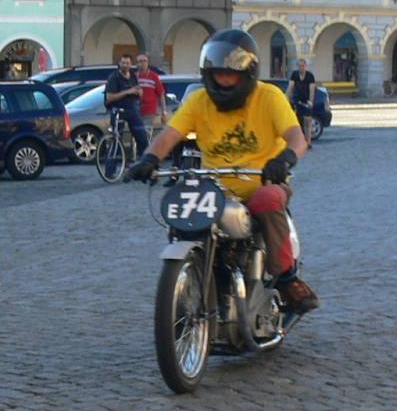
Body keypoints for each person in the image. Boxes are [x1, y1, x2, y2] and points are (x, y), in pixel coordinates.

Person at [126, 29, 319, 315]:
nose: (224, 80)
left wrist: (285, 159)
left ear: (248, 74)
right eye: (218, 74)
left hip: (262, 182)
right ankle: (193, 273)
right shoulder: (199, 101)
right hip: (213, 188)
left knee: (267, 200)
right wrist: (150, 158)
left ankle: (288, 278)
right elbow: (170, 134)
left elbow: (296, 137)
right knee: (181, 205)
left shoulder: (269, 97)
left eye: (231, 75)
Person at [105, 54, 149, 158]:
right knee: (116, 140)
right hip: (118, 111)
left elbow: (137, 90)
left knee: (142, 138)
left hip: (133, 111)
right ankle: (110, 171)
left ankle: (147, 165)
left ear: (131, 64)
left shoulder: (133, 76)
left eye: (128, 63)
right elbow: (109, 97)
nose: (125, 65)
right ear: (119, 64)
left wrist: (139, 92)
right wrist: (128, 92)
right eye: (123, 63)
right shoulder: (114, 77)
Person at [135, 53, 168, 140]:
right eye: (140, 61)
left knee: (145, 134)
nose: (142, 63)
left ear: (148, 63)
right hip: (136, 110)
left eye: (145, 61)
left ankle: (145, 151)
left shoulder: (154, 77)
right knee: (136, 134)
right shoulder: (134, 77)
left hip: (149, 111)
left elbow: (161, 95)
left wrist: (164, 112)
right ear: (137, 63)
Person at [285, 59, 316, 149]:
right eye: (299, 66)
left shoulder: (310, 76)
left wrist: (310, 101)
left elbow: (312, 90)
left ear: (306, 66)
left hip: (307, 101)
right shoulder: (294, 75)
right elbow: (290, 87)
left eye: (302, 66)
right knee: (297, 122)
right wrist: (286, 97)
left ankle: (308, 142)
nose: (301, 68)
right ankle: (299, 142)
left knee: (308, 122)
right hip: (297, 100)